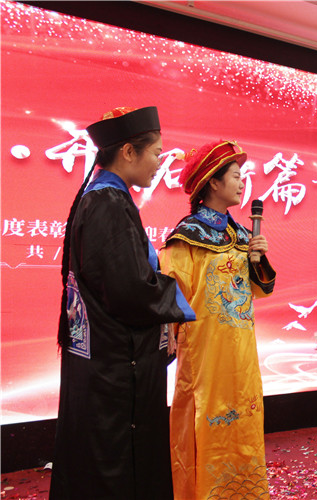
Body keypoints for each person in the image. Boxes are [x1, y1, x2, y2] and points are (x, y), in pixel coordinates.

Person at [50, 106, 195, 499]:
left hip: (101, 357)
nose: (160, 163)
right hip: (115, 363)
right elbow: (128, 289)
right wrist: (177, 295)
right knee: (116, 462)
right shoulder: (109, 203)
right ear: (129, 152)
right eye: (156, 153)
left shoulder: (104, 197)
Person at [160, 140, 275, 499]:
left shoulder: (241, 234)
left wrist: (259, 258)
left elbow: (258, 290)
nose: (242, 183)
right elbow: (171, 294)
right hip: (205, 353)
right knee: (204, 422)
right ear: (212, 182)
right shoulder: (187, 237)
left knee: (245, 417)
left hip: (241, 352)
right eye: (236, 176)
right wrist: (169, 337)